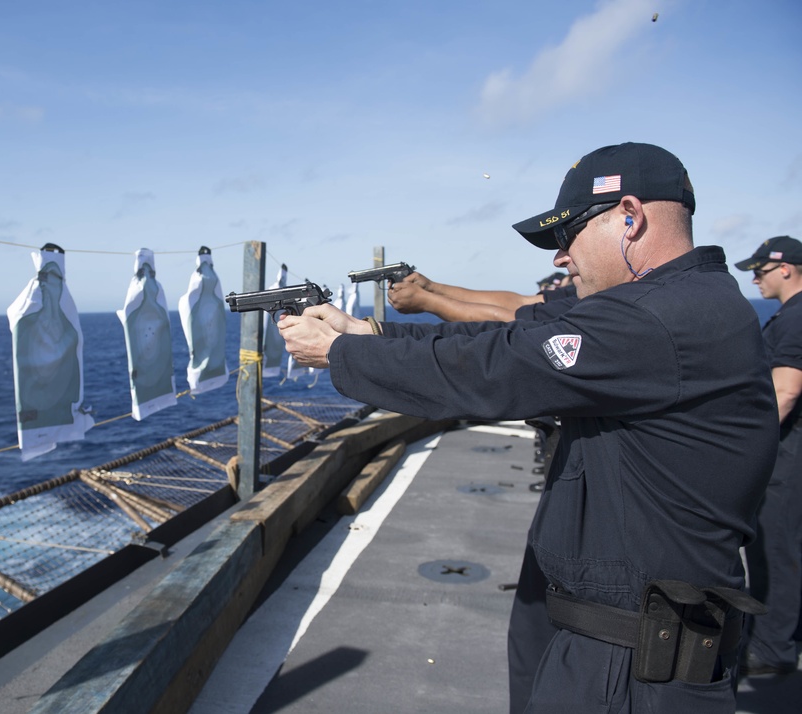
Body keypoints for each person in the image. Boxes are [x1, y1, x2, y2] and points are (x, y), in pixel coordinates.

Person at [280, 142, 778, 712]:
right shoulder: (673, 306)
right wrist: (370, 337)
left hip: (635, 665)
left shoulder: (659, 319)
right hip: (618, 638)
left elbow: (498, 371)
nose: (561, 257)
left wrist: (342, 354)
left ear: (631, 217)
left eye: (568, 236)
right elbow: (511, 342)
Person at [734, 236, 802, 677]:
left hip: (788, 457)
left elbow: (785, 390)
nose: (755, 278)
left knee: (776, 551)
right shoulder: (790, 317)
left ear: (787, 269)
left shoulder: (796, 320)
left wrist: (744, 449)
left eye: (760, 270)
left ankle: (773, 650)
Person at [388, 270, 577, 322]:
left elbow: (514, 320)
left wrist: (427, 301)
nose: (560, 260)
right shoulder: (581, 292)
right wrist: (431, 288)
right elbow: (522, 303)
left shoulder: (592, 297)